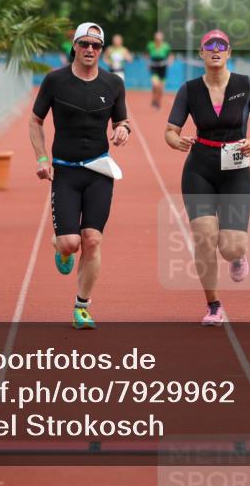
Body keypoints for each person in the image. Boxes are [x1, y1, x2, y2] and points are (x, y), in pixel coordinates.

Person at [165, 29, 250, 326]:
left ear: (229, 52)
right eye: (209, 46)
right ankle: (214, 305)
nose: (215, 50)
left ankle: (239, 256)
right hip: (199, 167)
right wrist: (177, 141)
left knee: (230, 247)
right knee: (203, 237)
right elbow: (170, 131)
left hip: (236, 169)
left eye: (221, 45)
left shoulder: (246, 85)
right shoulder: (189, 89)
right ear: (201, 53)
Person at [29, 22, 131, 329]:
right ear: (74, 46)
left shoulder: (113, 83)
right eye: (84, 44)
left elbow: (122, 120)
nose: (90, 50)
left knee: (92, 240)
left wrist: (123, 130)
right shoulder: (55, 80)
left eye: (96, 46)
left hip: (99, 170)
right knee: (71, 243)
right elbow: (35, 121)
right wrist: (42, 158)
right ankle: (59, 245)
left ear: (102, 50)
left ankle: (82, 306)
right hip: (65, 171)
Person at [148, 30, 173, 109]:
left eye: (159, 39)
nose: (158, 40)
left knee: (161, 88)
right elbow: (146, 55)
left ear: (162, 39)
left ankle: (157, 101)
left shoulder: (166, 46)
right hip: (154, 67)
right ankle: (154, 98)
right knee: (155, 85)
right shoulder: (150, 45)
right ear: (155, 39)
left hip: (163, 68)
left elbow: (171, 55)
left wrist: (170, 61)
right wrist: (148, 63)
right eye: (157, 39)